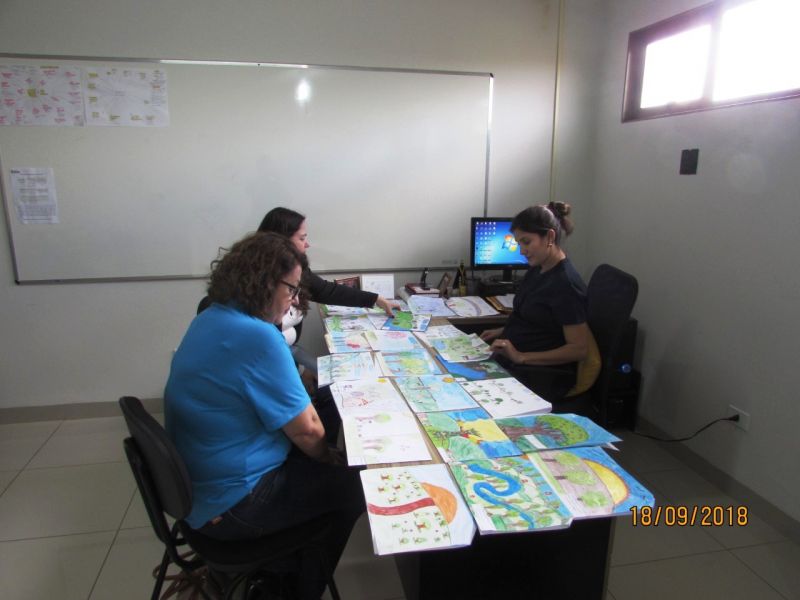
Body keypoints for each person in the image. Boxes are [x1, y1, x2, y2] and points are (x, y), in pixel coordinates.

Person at [165, 231, 365, 600]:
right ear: (264, 283)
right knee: (355, 488)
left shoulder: (210, 316)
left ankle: (283, 566)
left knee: (325, 406)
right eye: (291, 289)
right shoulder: (256, 336)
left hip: (202, 490)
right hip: (235, 505)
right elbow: (308, 431)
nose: (294, 300)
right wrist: (331, 458)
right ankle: (296, 588)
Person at [479, 202, 592, 402]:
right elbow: (534, 318)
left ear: (550, 237)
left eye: (526, 242)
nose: (521, 251)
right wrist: (501, 331)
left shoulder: (566, 285)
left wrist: (521, 356)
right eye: (519, 243)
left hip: (539, 374)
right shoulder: (538, 269)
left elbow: (579, 349)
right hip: (514, 361)